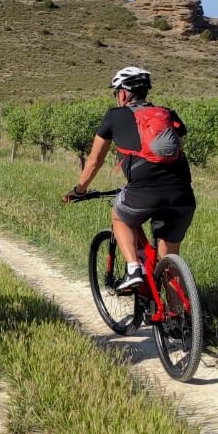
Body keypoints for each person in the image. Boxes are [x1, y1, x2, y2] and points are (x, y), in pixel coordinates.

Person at [63, 67, 195, 292]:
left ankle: (134, 269)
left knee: (119, 215)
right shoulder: (166, 114)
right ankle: (181, 320)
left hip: (144, 190)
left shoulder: (114, 116)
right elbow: (178, 152)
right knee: (169, 260)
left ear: (123, 94)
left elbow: (95, 161)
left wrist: (80, 189)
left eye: (116, 92)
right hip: (182, 193)